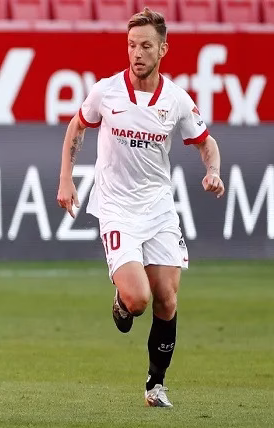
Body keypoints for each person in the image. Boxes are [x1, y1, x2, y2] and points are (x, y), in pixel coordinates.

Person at [56, 8, 225, 408]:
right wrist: (66, 178)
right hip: (116, 208)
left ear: (163, 49)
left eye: (146, 45)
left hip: (159, 209)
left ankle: (156, 384)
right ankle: (121, 301)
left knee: (167, 298)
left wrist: (213, 171)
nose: (137, 53)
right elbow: (77, 127)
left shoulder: (176, 100)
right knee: (138, 300)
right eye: (132, 45)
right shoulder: (106, 92)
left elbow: (206, 143)